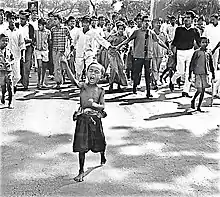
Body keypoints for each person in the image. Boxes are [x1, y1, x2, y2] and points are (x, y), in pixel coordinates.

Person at [64, 60, 107, 182]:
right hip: (82, 119)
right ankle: (81, 171)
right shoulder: (83, 87)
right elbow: (73, 81)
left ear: (101, 76)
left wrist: (94, 105)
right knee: (81, 145)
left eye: (96, 72)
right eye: (90, 71)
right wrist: (66, 65)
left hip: (94, 119)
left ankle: (102, 155)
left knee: (99, 141)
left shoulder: (100, 90)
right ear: (86, 73)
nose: (93, 74)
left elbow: (103, 106)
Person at [117, 15, 170, 98]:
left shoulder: (151, 33)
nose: (147, 23)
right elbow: (128, 40)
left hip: (148, 57)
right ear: (141, 22)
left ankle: (148, 92)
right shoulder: (137, 32)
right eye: (145, 21)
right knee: (136, 73)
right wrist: (118, 46)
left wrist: (167, 48)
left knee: (148, 75)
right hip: (138, 56)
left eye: (148, 21)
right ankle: (134, 86)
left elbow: (158, 41)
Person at [171, 11, 201, 97]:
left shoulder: (195, 30)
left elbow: (199, 43)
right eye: (185, 17)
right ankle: (172, 80)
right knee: (180, 71)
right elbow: (174, 42)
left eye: (188, 17)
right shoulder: (179, 29)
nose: (186, 19)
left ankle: (185, 91)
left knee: (189, 72)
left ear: (192, 19)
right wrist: (172, 51)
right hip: (180, 52)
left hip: (190, 52)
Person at [189, 37, 215, 112]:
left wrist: (213, 74)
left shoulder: (209, 52)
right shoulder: (196, 52)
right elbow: (192, 63)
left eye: (206, 42)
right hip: (197, 73)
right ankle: (193, 100)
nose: (204, 44)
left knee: (202, 90)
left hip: (205, 73)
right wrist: (190, 74)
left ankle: (199, 106)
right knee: (199, 89)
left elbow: (211, 64)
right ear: (200, 43)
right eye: (203, 42)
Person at [4, 12, 26, 93]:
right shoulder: (4, 32)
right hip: (6, 57)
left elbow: (22, 44)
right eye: (10, 18)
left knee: (17, 76)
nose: (12, 20)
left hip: (16, 56)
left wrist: (23, 55)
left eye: (13, 19)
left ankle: (13, 85)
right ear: (7, 20)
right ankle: (9, 89)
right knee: (7, 75)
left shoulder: (19, 32)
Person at [51, 14, 72, 89]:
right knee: (56, 66)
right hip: (54, 49)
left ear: (60, 20)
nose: (54, 21)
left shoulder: (65, 29)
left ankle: (60, 81)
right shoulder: (53, 29)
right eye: (54, 20)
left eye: (55, 19)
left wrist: (68, 49)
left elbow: (70, 38)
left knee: (60, 66)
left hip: (62, 50)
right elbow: (51, 39)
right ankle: (59, 81)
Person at [34, 18, 51, 89]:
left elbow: (49, 41)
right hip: (38, 50)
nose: (39, 26)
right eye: (38, 25)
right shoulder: (36, 32)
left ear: (44, 25)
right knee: (39, 66)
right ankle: (38, 81)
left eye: (40, 25)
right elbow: (34, 40)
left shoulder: (48, 32)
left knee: (44, 67)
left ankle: (42, 81)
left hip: (45, 50)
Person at [0, 34, 14, 109]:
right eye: (3, 41)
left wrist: (10, 63)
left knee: (10, 86)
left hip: (8, 71)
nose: (5, 43)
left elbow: (12, 59)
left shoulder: (8, 50)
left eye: (6, 41)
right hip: (1, 71)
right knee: (3, 86)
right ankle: (2, 96)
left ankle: (10, 102)